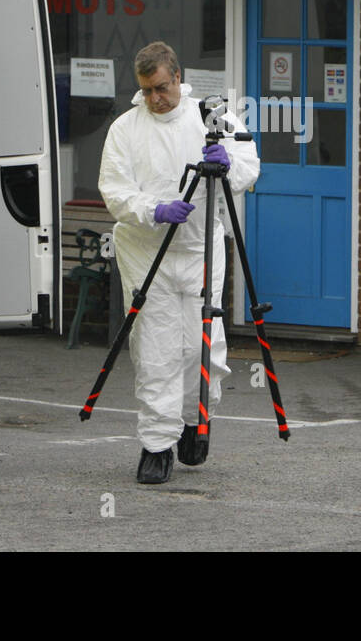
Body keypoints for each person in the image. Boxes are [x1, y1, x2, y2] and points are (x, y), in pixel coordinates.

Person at [98, 42, 260, 484]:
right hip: (146, 250)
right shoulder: (126, 130)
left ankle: (194, 421)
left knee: (202, 345)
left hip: (200, 249)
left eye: (162, 88)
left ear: (178, 77)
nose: (156, 99)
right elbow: (114, 191)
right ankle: (155, 445)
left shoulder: (213, 118)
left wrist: (228, 163)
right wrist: (154, 209)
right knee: (156, 348)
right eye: (147, 91)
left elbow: (249, 163)